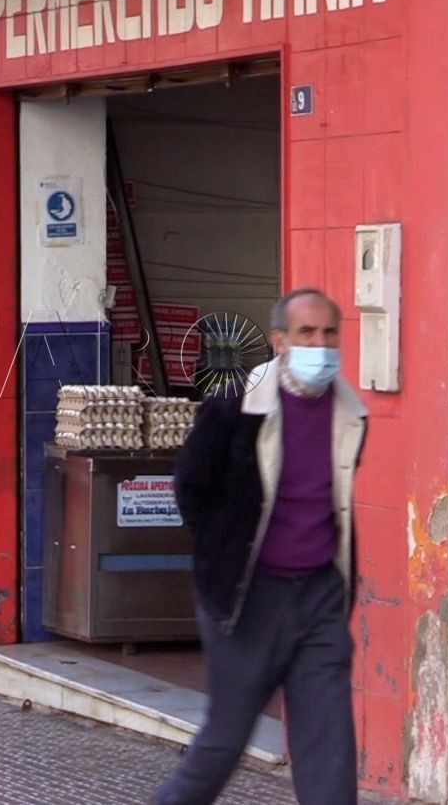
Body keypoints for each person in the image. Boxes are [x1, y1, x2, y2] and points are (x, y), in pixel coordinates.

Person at [157, 288, 367, 805]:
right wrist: (223, 556)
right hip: (249, 598)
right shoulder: (233, 412)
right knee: (225, 739)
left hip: (319, 596)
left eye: (328, 333)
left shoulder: (351, 414)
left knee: (329, 746)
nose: (320, 344)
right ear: (279, 342)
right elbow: (191, 488)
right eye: (306, 333)